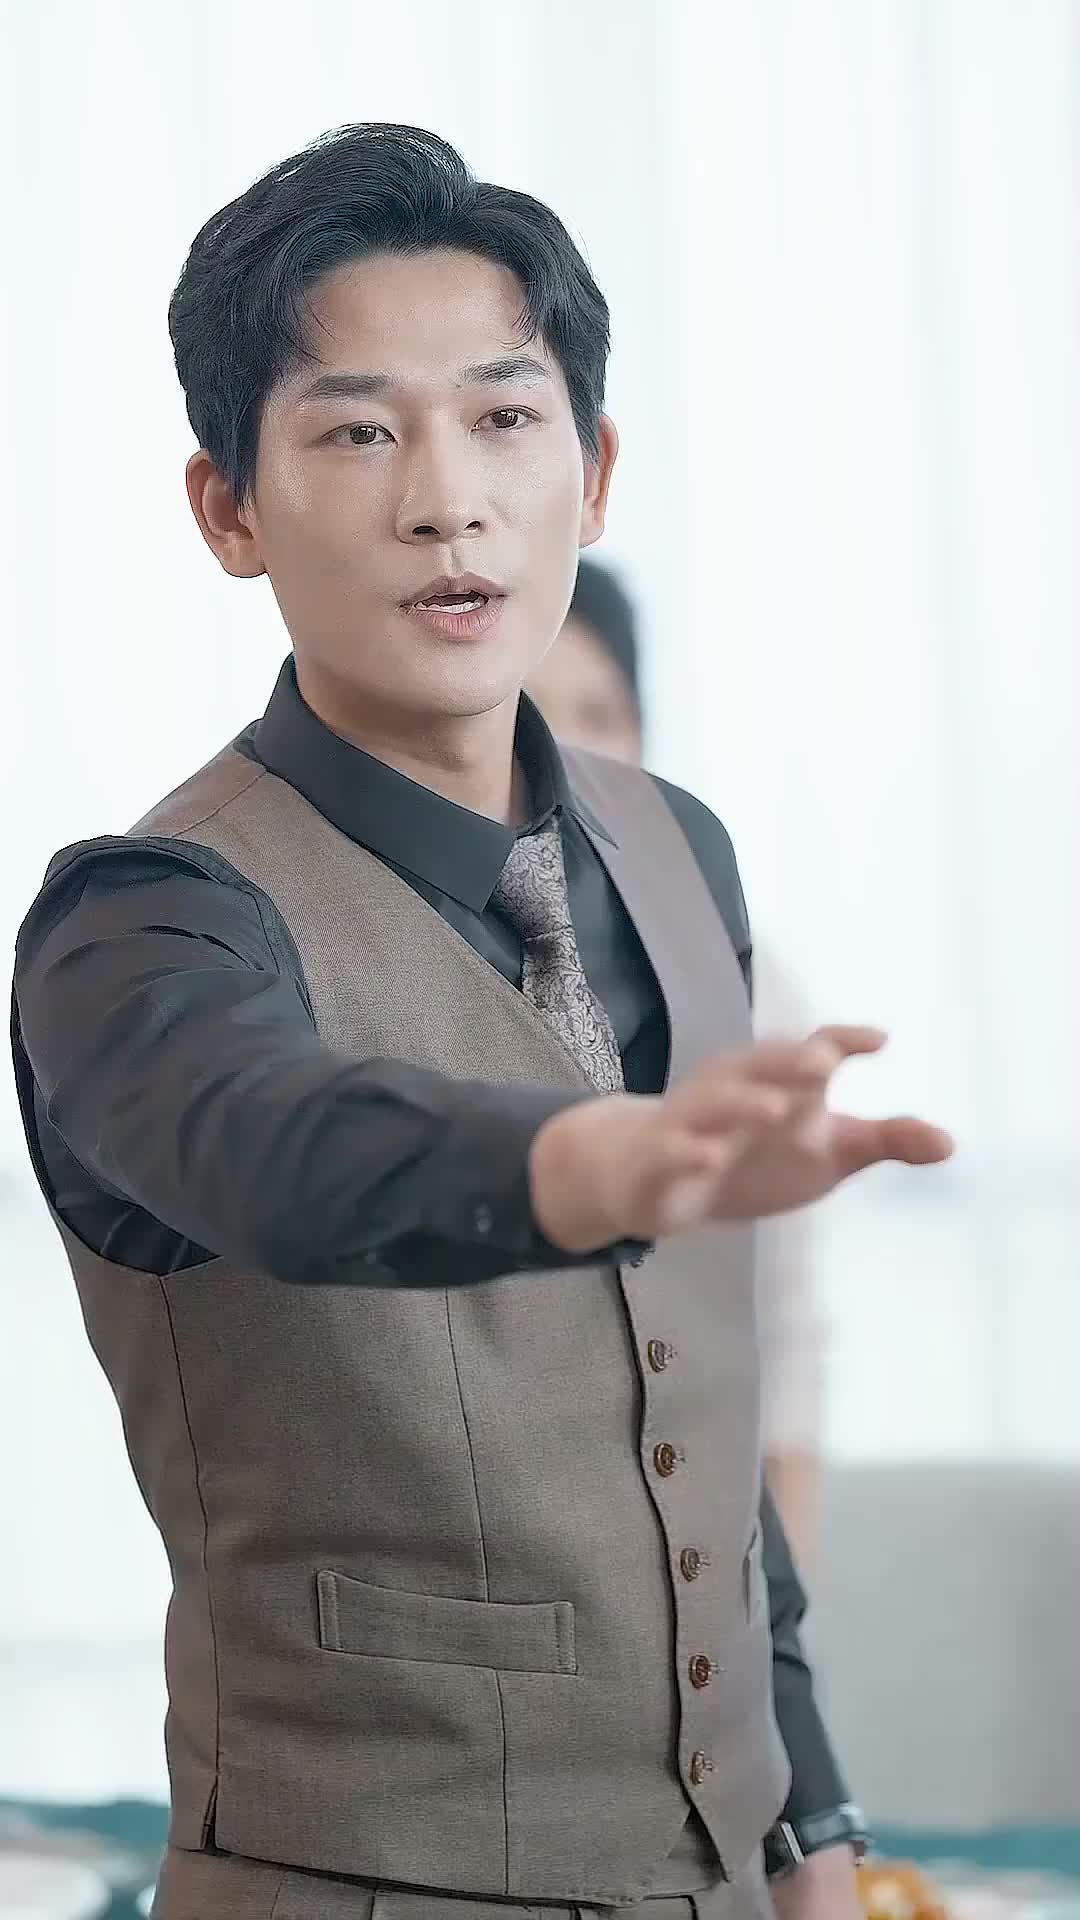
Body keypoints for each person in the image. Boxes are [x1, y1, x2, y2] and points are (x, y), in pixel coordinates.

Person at [10, 125, 952, 1920]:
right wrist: (595, 1161)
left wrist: (812, 1833)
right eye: (358, 433)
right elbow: (282, 1154)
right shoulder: (142, 921)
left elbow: (706, 1448)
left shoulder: (680, 852)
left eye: (505, 418)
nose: (447, 501)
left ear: (591, 473)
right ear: (226, 510)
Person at [529, 563, 826, 1571]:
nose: (571, 748)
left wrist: (789, 1581)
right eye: (533, 712)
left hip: (711, 1535)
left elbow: (784, 1320)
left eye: (600, 713)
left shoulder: (739, 969)